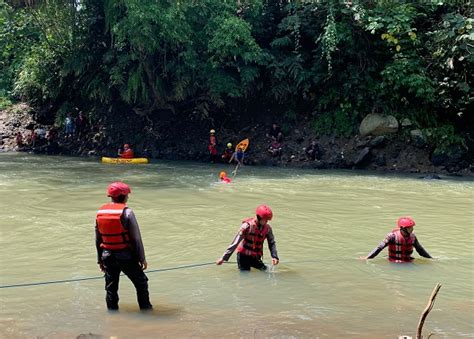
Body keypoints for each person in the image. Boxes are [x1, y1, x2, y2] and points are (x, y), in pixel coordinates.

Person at [95, 182, 153, 310]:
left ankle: (112, 314)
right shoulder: (127, 213)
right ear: (124, 196)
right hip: (125, 256)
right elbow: (136, 239)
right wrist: (142, 259)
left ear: (111, 196)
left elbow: (98, 239)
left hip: (107, 256)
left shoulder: (100, 212)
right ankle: (146, 311)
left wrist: (100, 260)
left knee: (111, 288)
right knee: (141, 283)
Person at [216, 204, 279, 271]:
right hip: (243, 256)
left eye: (267, 220)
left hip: (255, 257)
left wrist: (274, 256)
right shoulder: (246, 226)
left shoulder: (267, 229)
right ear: (259, 217)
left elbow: (271, 243)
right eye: (265, 220)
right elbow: (235, 242)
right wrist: (223, 258)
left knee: (265, 270)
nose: (267, 222)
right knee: (245, 274)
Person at [361, 217, 433, 263]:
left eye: (412, 227)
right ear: (403, 228)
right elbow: (379, 248)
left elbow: (420, 250)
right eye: (409, 228)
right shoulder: (392, 236)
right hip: (393, 262)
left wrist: (431, 258)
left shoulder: (413, 237)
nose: (412, 229)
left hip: (408, 262)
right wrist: (367, 258)